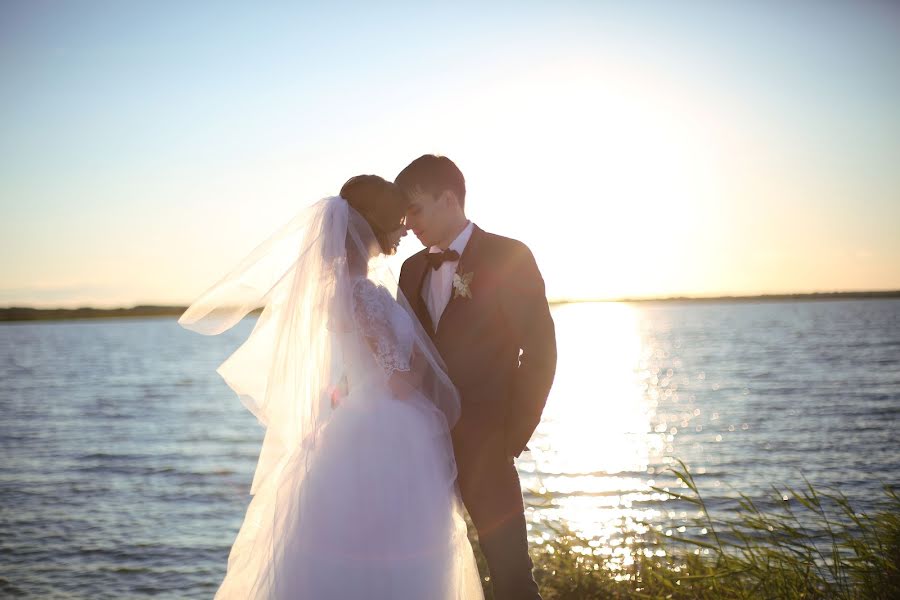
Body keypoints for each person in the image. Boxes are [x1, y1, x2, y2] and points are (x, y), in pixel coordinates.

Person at [179, 175, 484, 599]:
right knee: (401, 549)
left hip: (353, 424)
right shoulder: (363, 294)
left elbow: (349, 372)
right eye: (397, 221)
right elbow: (398, 383)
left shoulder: (337, 289)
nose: (403, 230)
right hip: (389, 433)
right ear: (371, 225)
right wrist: (425, 364)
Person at [396, 155, 557, 600]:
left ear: (450, 199)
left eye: (417, 209)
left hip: (489, 448)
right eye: (404, 215)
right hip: (421, 451)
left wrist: (510, 436)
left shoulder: (509, 255)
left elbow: (541, 351)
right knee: (424, 575)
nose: (409, 224)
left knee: (511, 578)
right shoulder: (410, 271)